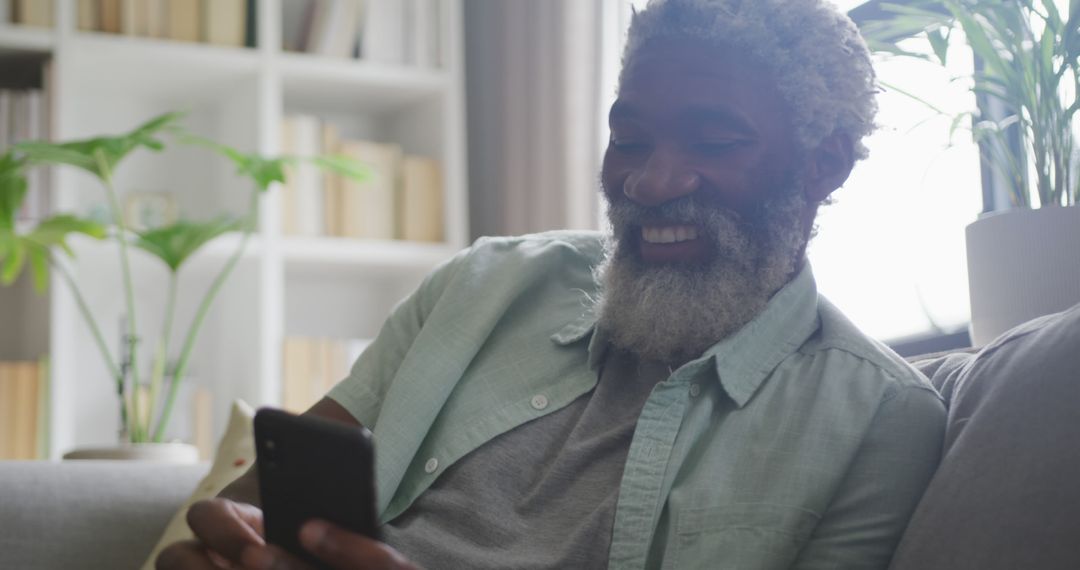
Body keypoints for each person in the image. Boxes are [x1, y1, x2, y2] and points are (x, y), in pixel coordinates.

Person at [158, 0, 946, 568]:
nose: (651, 180)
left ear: (824, 164)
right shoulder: (481, 284)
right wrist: (222, 542)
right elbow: (257, 504)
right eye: (628, 138)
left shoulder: (879, 417)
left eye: (713, 140)